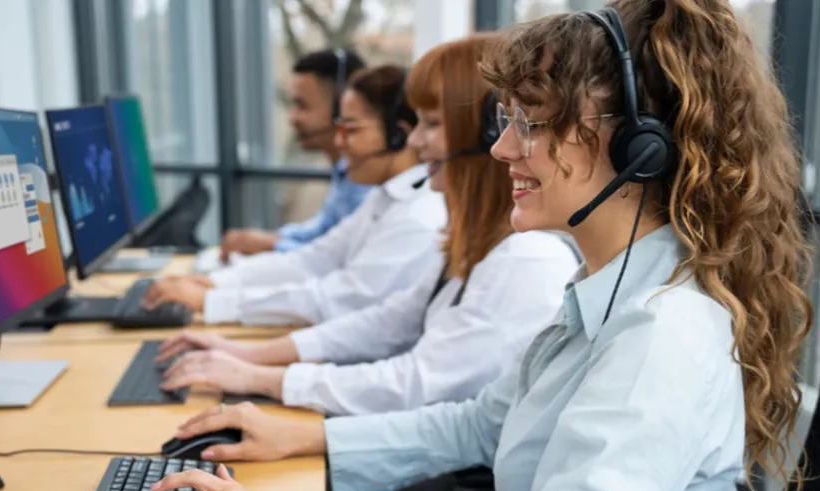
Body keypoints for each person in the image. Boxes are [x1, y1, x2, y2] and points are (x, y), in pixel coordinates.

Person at [141, 1, 813, 491]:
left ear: (639, 147)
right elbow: (479, 421)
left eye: (532, 124)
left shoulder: (658, 341)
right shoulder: (605, 291)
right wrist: (300, 441)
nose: (501, 149)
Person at [154, 34, 579, 417]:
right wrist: (246, 355)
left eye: (430, 125)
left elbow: (414, 381)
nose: (413, 142)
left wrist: (260, 375)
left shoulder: (521, 261)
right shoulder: (474, 243)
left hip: (440, 468)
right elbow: (386, 321)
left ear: (486, 138)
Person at [142, 65, 447, 325]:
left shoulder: (417, 215)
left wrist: (214, 301)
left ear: (399, 135)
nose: (339, 143)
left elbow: (342, 298)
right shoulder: (386, 196)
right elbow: (312, 260)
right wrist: (214, 283)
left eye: (351, 130)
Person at [220, 49, 373, 261]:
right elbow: (321, 231)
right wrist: (266, 239)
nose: (292, 118)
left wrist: (271, 244)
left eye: (302, 106)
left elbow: (338, 259)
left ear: (341, 110)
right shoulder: (344, 172)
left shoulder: (365, 183)